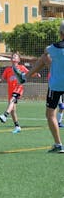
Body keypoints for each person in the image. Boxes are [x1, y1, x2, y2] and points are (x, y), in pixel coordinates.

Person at [13, 20, 64, 152]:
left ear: (60, 33)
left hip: (56, 85)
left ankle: (58, 144)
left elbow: (46, 50)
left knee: (50, 114)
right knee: (45, 59)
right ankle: (25, 77)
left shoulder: (54, 48)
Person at [0, 53, 37, 134]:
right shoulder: (8, 70)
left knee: (12, 101)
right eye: (12, 57)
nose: (13, 57)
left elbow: (30, 73)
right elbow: (1, 79)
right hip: (10, 91)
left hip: (18, 89)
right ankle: (17, 126)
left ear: (18, 60)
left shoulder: (21, 68)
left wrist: (36, 74)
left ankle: (4, 115)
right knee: (13, 110)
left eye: (15, 56)